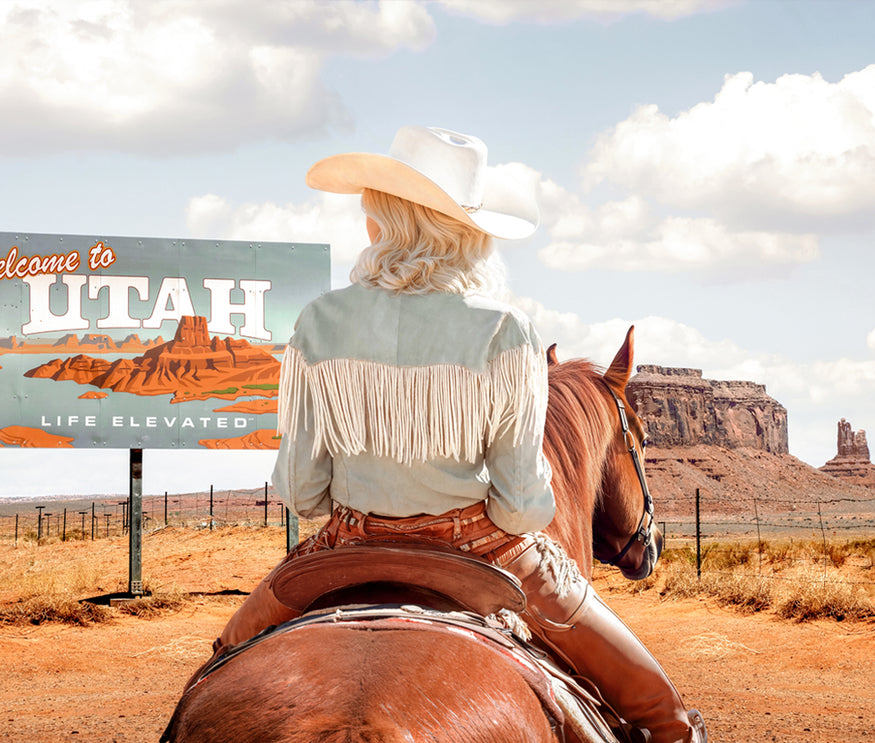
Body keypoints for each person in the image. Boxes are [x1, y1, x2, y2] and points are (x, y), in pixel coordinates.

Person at [200, 126, 703, 743]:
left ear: (383, 220)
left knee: (219, 665)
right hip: (483, 549)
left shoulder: (318, 321)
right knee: (659, 713)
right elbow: (521, 505)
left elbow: (303, 493)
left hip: (347, 542)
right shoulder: (504, 331)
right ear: (468, 232)